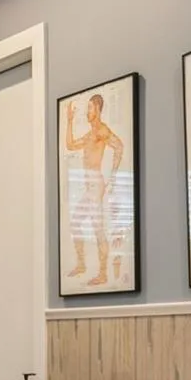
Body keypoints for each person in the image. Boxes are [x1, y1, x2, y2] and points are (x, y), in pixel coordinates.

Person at [64, 93, 124, 286]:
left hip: (95, 185)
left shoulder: (101, 131)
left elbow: (119, 146)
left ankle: (103, 273)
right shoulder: (90, 134)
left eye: (90, 108)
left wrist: (112, 174)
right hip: (89, 186)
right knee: (76, 223)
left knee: (98, 230)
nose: (87, 111)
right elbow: (70, 145)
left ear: (97, 110)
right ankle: (82, 264)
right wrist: (69, 121)